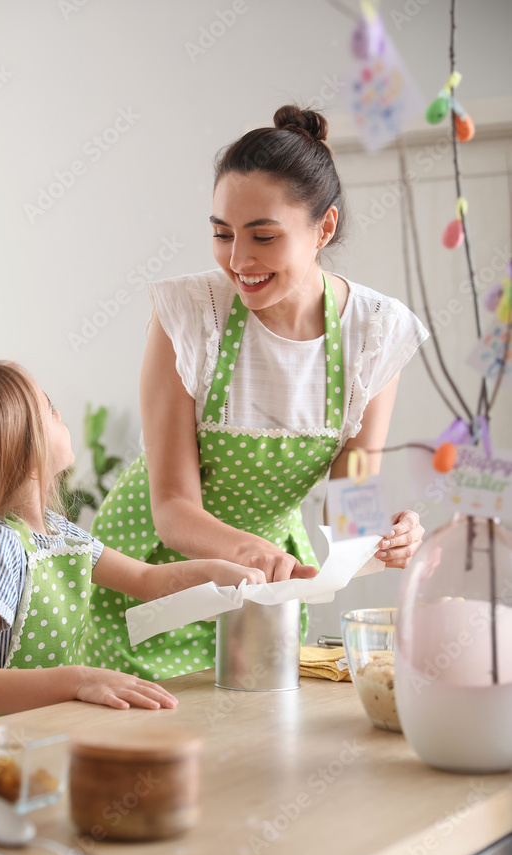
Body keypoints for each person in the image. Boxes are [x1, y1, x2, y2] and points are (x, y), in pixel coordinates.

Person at [80, 104, 428, 679]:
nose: (238, 261)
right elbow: (172, 511)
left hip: (261, 596)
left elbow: (350, 503)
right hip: (148, 576)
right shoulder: (191, 316)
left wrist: (383, 538)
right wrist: (253, 553)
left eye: (263, 237)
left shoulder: (373, 334)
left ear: (324, 228)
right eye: (222, 234)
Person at [0, 361, 264, 729]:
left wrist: (223, 574)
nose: (59, 412)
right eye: (47, 407)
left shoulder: (61, 535)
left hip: (33, 737)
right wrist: (78, 680)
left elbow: (149, 580)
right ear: (25, 457)